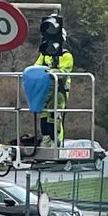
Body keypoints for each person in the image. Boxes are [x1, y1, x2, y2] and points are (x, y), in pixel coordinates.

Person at [33, 14, 74, 144]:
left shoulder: (66, 56)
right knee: (44, 117)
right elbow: (36, 67)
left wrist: (49, 72)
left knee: (55, 117)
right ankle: (46, 140)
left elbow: (63, 72)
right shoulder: (45, 54)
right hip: (46, 91)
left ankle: (57, 142)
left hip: (59, 91)